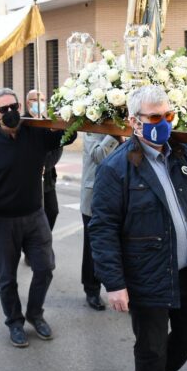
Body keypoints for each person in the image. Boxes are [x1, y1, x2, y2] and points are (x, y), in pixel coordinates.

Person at [89, 85, 187, 371]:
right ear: (133, 121)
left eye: (168, 115)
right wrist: (114, 283)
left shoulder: (182, 151)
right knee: (151, 349)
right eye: (154, 118)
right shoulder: (116, 168)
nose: (163, 123)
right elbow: (103, 229)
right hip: (146, 274)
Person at [0, 88, 75, 348]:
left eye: (14, 107)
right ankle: (15, 322)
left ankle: (35, 314)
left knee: (45, 268)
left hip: (35, 217)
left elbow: (65, 138)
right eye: (4, 109)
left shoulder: (35, 133)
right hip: (2, 222)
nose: (11, 113)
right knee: (7, 278)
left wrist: (68, 115)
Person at [79, 133, 122, 311]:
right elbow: (98, 155)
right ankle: (92, 289)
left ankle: (127, 290)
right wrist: (114, 136)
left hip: (120, 195)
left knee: (124, 246)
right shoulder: (93, 129)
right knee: (93, 247)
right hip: (94, 197)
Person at [23, 90, 62, 230]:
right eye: (36, 100)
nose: (40, 103)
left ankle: (42, 238)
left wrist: (46, 165)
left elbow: (58, 147)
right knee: (31, 213)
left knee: (52, 210)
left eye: (43, 100)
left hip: (47, 177)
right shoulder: (23, 123)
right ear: (28, 103)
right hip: (29, 178)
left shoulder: (48, 122)